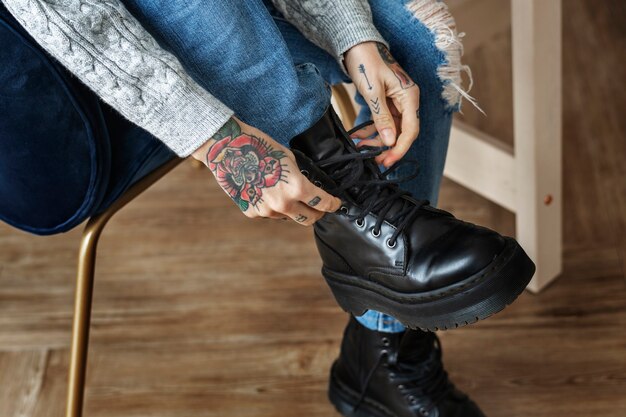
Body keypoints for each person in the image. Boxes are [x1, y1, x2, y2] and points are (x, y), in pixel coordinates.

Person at [2, 1, 536, 416]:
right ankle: (349, 200)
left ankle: (382, 352)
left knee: (413, 43)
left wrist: (349, 29)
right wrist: (217, 138)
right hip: (53, 73)